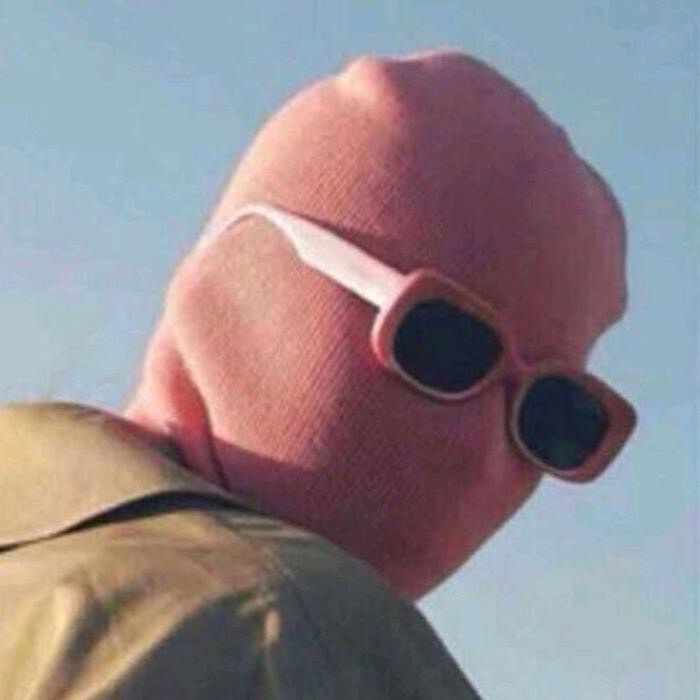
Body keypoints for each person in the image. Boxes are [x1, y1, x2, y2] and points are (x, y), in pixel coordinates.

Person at [0, 49, 637, 698]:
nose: (484, 443)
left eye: (558, 419)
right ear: (255, 268)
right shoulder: (288, 636)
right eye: (446, 343)